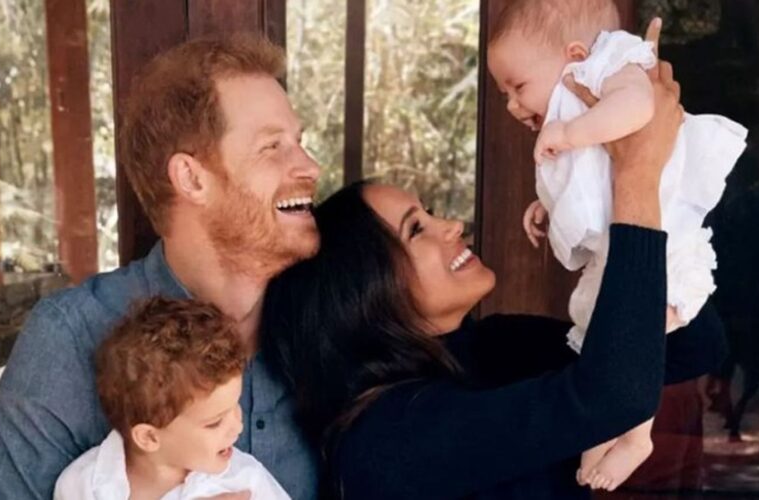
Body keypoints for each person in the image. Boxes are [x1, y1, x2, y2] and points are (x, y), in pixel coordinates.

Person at [261, 23, 727, 499]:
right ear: (363, 291)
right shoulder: (388, 437)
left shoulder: (492, 348)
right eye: (416, 229)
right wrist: (636, 175)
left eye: (431, 213)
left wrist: (628, 181)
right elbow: (613, 396)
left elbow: (693, 346)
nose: (452, 226)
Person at [0, 35, 319, 500]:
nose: (310, 166)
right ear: (191, 178)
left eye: (299, 143)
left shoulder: (325, 320)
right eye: (273, 147)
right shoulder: (69, 340)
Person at [486, 0, 746, 489]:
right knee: (605, 334)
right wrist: (547, 204)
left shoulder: (614, 64)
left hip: (663, 240)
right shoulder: (579, 104)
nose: (513, 106)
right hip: (624, 242)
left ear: (576, 53)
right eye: (504, 93)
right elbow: (592, 179)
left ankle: (636, 434)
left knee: (635, 334)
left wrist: (569, 131)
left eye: (518, 87)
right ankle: (607, 428)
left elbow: (639, 107)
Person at [54, 297, 291, 500]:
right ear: (149, 436)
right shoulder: (84, 484)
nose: (237, 426)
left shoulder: (245, 480)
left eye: (235, 406)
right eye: (214, 422)